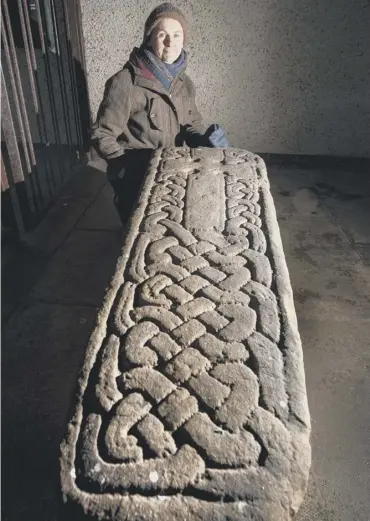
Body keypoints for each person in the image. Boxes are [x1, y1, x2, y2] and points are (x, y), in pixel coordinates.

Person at [91, 3, 229, 224]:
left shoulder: (185, 83)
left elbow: (190, 124)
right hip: (135, 179)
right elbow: (102, 134)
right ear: (149, 38)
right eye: (162, 34)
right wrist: (124, 167)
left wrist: (204, 139)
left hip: (171, 173)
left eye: (177, 34)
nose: (170, 42)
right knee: (136, 234)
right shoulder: (125, 82)